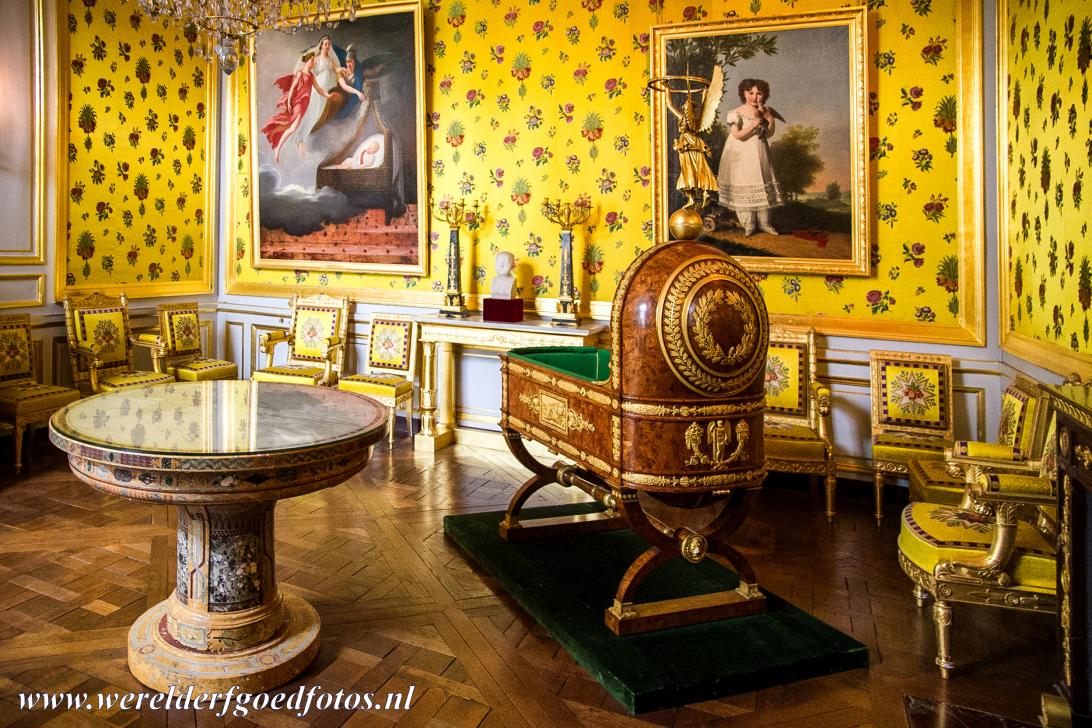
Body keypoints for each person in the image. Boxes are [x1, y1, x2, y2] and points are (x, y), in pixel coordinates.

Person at [716, 78, 784, 236]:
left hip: (759, 151)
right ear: (743, 93)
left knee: (761, 182)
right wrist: (753, 125)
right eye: (750, 93)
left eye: (759, 93)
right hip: (741, 154)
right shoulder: (736, 112)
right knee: (745, 182)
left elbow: (769, 133)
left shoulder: (765, 110)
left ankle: (765, 224)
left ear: (764, 95)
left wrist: (770, 120)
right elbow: (738, 135)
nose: (755, 97)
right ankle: (749, 224)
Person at [259, 52, 331, 164]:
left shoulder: (311, 76)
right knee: (293, 128)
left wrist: (328, 95)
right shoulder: (300, 73)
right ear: (307, 61)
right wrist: (288, 102)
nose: (313, 63)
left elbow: (318, 89)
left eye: (314, 62)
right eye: (312, 61)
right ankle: (278, 149)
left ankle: (273, 131)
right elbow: (292, 88)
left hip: (304, 104)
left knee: (289, 125)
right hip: (298, 102)